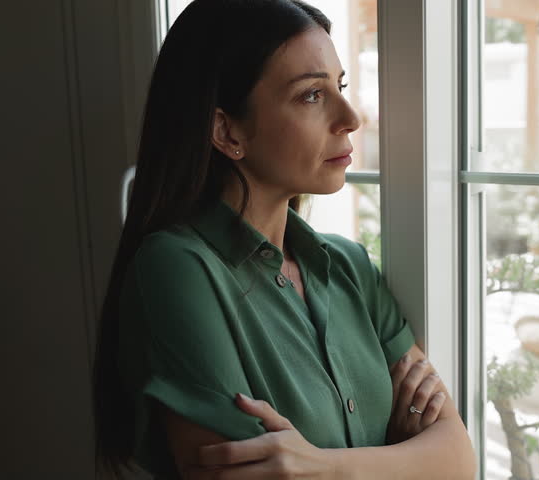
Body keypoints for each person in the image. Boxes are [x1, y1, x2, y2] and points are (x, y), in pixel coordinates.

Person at [90, 1, 476, 478]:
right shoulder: (176, 270)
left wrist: (325, 468)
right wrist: (403, 459)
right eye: (312, 96)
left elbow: (458, 458)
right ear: (227, 130)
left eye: (339, 87)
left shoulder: (350, 265)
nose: (351, 116)